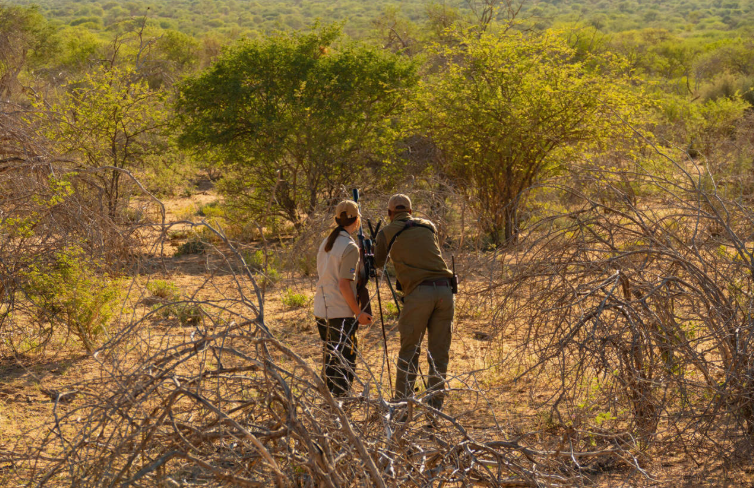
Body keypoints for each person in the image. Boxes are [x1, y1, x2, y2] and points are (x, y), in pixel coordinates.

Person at [374, 194, 455, 411]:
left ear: (390, 214)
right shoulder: (428, 226)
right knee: (439, 356)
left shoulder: (387, 231)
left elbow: (377, 263)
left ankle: (402, 409)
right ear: (410, 211)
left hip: (419, 294)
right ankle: (434, 411)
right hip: (445, 292)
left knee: (409, 353)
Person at [313, 200, 373, 397]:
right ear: (357, 221)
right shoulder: (349, 246)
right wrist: (359, 313)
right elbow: (344, 284)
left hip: (322, 310)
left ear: (337, 219)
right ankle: (341, 410)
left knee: (331, 360)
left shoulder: (326, 242)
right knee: (344, 363)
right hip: (340, 313)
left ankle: (330, 409)